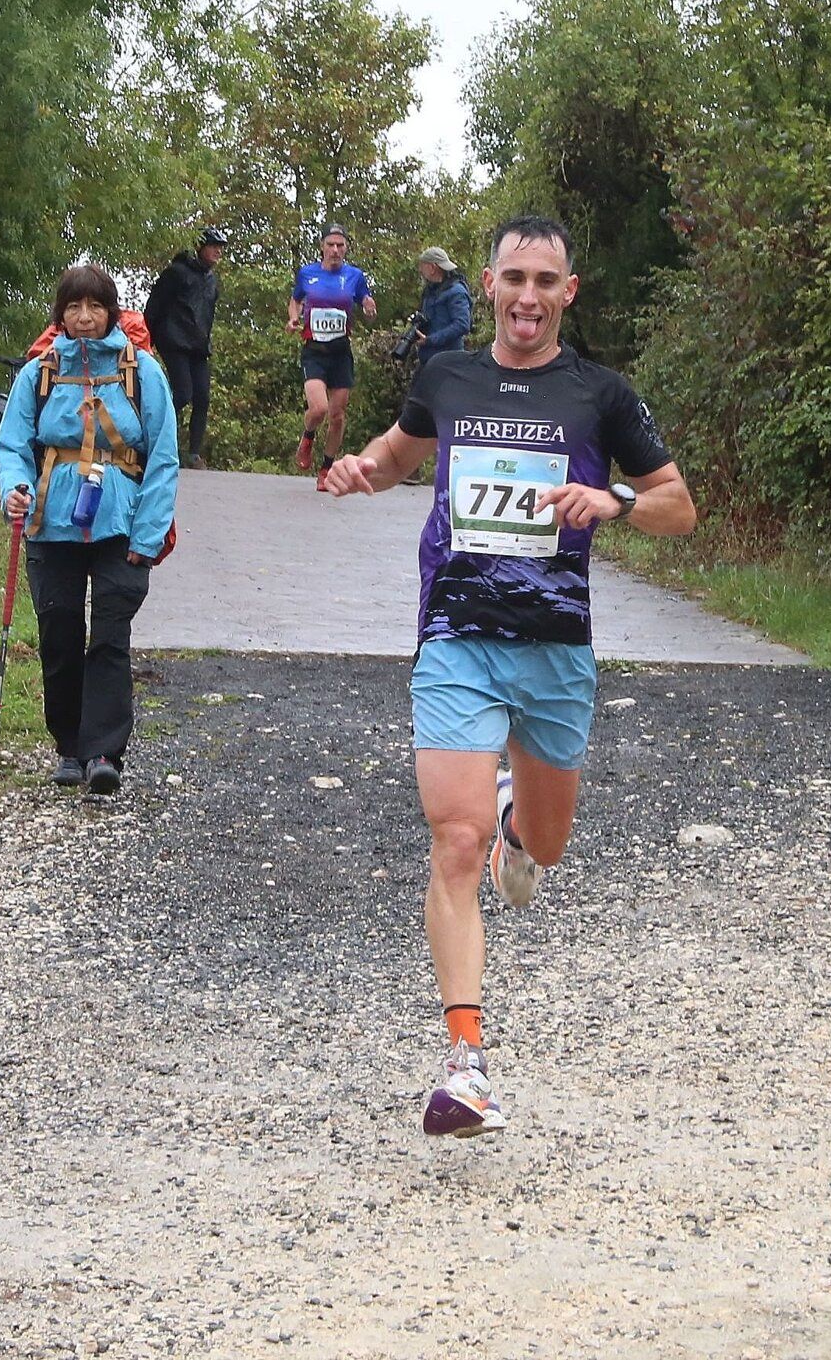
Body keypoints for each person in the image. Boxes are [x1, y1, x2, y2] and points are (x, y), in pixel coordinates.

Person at [324, 215, 696, 1138]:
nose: (526, 296)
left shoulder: (600, 394)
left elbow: (677, 508)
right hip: (457, 633)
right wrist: (360, 470)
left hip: (556, 646)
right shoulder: (446, 374)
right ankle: (465, 1063)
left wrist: (609, 498)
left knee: (545, 849)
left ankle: (515, 829)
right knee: (452, 838)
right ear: (487, 284)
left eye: (544, 280)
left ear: (568, 292)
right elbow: (399, 452)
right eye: (512, 277)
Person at [0, 264, 178, 796]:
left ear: (112, 311)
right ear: (61, 314)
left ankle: (103, 752)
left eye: (95, 306)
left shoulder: (141, 371)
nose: (84, 317)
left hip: (121, 524)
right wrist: (14, 490)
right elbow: (12, 445)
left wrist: (148, 535)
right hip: (51, 521)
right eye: (74, 307)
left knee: (110, 638)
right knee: (60, 632)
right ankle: (69, 747)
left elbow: (163, 457)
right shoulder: (39, 373)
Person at [288, 223, 377, 490]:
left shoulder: (355, 276)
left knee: (337, 415)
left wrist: (369, 308)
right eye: (331, 245)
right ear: (322, 247)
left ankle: (326, 469)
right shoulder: (307, 274)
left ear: (346, 248)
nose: (336, 250)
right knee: (319, 409)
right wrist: (293, 318)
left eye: (340, 245)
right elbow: (295, 300)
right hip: (314, 351)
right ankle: (307, 438)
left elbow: (365, 300)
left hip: (340, 352)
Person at [144, 227, 227, 469]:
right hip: (174, 340)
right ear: (200, 247)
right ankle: (155, 438)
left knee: (202, 397)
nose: (218, 251)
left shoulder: (211, 279)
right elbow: (154, 306)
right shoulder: (176, 273)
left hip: (198, 345)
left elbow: (206, 314)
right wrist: (148, 338)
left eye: (220, 247)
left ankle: (193, 454)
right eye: (213, 246)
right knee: (182, 393)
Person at [411, 246, 472, 376]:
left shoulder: (456, 292)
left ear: (432, 267)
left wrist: (430, 340)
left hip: (449, 364)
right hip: (428, 362)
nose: (420, 270)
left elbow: (462, 325)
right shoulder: (429, 292)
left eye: (423, 266)